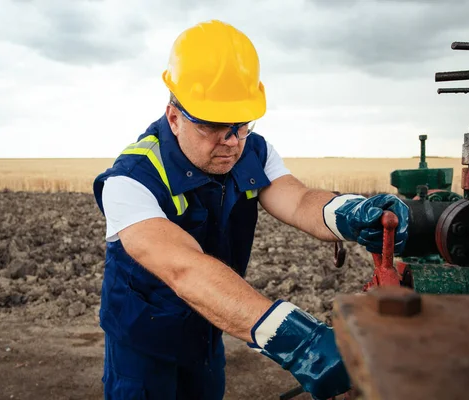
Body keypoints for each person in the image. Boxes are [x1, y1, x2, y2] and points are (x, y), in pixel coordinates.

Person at [92, 19, 409, 400]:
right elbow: (183, 268)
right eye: (214, 125)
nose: (232, 141)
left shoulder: (251, 149)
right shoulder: (130, 179)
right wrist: (296, 339)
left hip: (210, 328)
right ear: (174, 117)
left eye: (241, 124)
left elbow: (297, 199)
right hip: (142, 344)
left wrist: (352, 213)